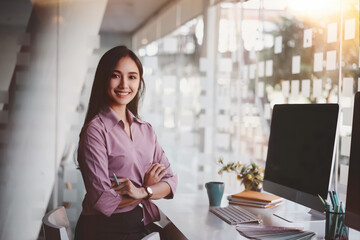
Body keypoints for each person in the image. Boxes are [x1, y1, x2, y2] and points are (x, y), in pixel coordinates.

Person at [74, 46, 178, 240]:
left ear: (139, 82)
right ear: (103, 79)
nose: (124, 84)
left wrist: (143, 191)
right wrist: (147, 192)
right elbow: (103, 200)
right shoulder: (95, 131)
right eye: (116, 75)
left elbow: (171, 181)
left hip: (137, 225)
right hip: (104, 230)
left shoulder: (145, 130)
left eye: (132, 77)